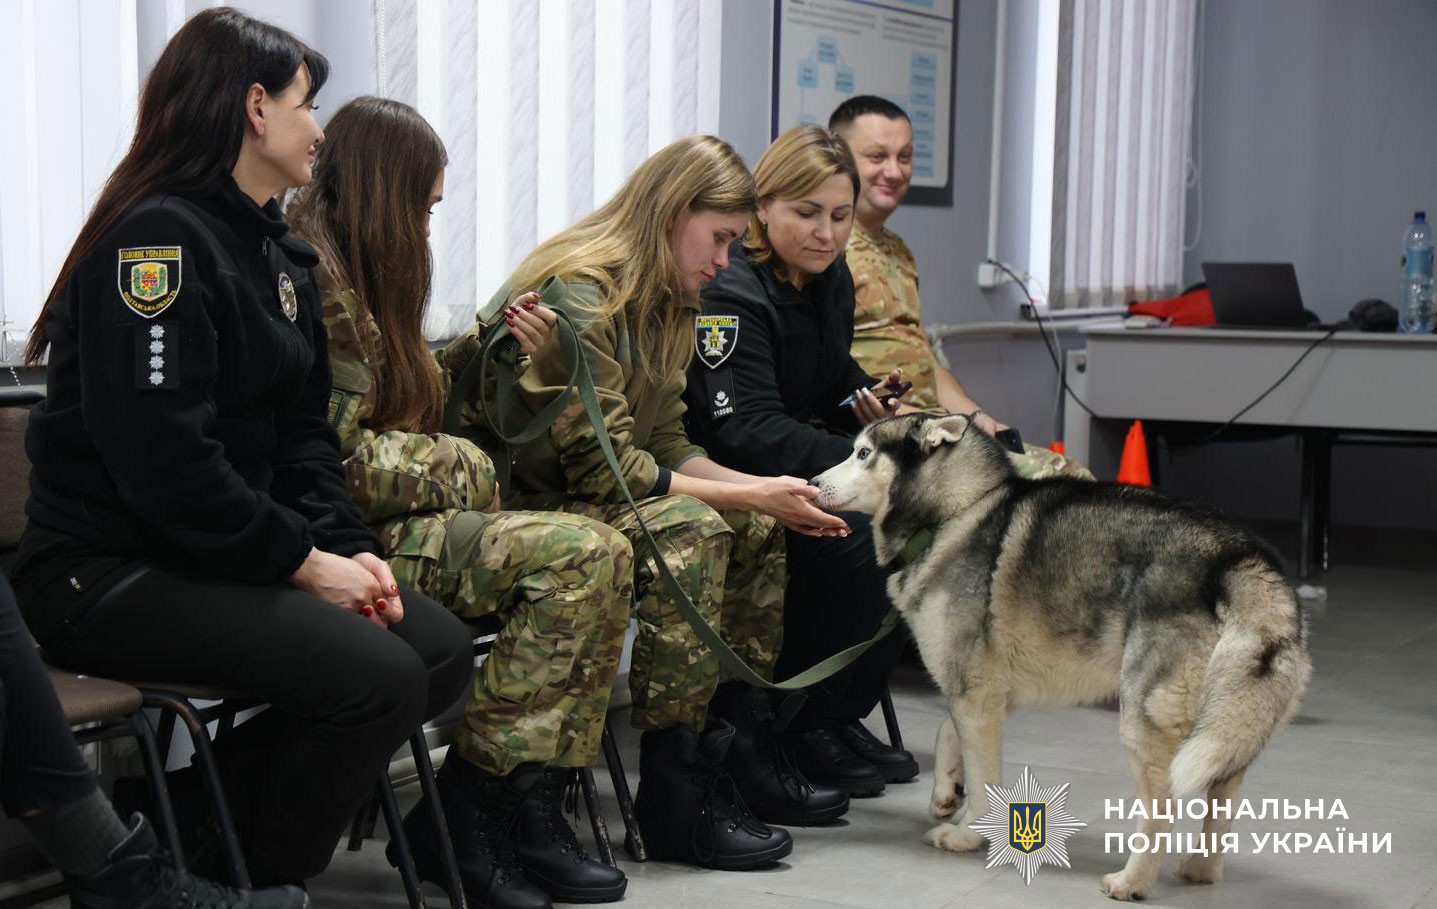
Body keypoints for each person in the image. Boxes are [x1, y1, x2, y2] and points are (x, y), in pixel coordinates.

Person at [12, 8, 473, 889]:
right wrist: (302, 563)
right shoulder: (156, 244)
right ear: (255, 108)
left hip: (209, 556)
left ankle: (183, 822)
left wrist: (353, 554)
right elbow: (164, 467)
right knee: (376, 678)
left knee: (433, 648)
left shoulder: (276, 257)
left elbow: (304, 446)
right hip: (102, 570)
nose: (320, 129)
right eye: (308, 104)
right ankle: (254, 882)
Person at [445, 135, 853, 871]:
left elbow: (665, 442)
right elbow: (607, 471)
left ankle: (721, 753)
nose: (725, 260)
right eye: (720, 238)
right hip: (526, 501)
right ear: (671, 212)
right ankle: (671, 791)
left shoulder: (670, 300)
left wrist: (760, 497)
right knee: (693, 529)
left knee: (751, 525)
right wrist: (747, 488)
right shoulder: (579, 289)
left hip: (594, 489)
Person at [288, 96, 630, 908]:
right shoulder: (315, 279)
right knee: (582, 555)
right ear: (384, 196)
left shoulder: (365, 277)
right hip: (345, 545)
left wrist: (484, 353)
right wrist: (463, 464)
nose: (430, 228)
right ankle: (465, 817)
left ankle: (524, 806)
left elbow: (403, 408)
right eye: (426, 207)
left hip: (402, 528)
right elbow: (327, 461)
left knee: (602, 548)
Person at [683, 125, 922, 799]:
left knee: (913, 540)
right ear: (763, 208)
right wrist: (867, 462)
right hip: (725, 472)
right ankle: (791, 722)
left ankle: (835, 713)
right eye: (806, 213)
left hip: (790, 457)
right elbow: (745, 429)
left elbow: (825, 377)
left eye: (840, 217)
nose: (826, 233)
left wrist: (862, 402)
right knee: (856, 547)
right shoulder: (731, 291)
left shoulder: (827, 275)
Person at [0, 575, 306, 908]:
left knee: (361, 671)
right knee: (362, 678)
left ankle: (123, 875)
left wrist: (352, 555)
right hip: (99, 579)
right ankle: (130, 877)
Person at [829, 95, 1091, 480]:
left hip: (933, 425)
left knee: (1071, 479)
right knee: (1059, 489)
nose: (895, 170)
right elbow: (831, 380)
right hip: (882, 434)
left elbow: (927, 358)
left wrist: (976, 416)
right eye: (877, 156)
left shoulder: (898, 251)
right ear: (841, 158)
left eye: (904, 157)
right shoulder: (827, 250)